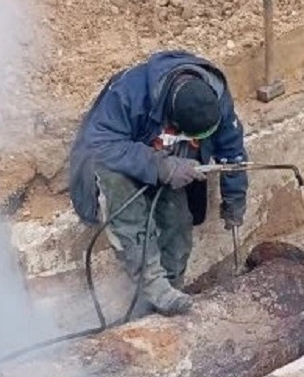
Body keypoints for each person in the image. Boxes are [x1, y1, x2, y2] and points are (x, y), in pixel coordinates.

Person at [67, 50, 249, 317]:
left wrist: (234, 197)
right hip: (118, 162)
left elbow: (230, 149)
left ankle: (168, 296)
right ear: (173, 120)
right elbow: (100, 144)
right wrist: (161, 165)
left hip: (167, 164)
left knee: (177, 221)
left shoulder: (214, 96)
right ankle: (152, 285)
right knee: (127, 207)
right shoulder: (128, 95)